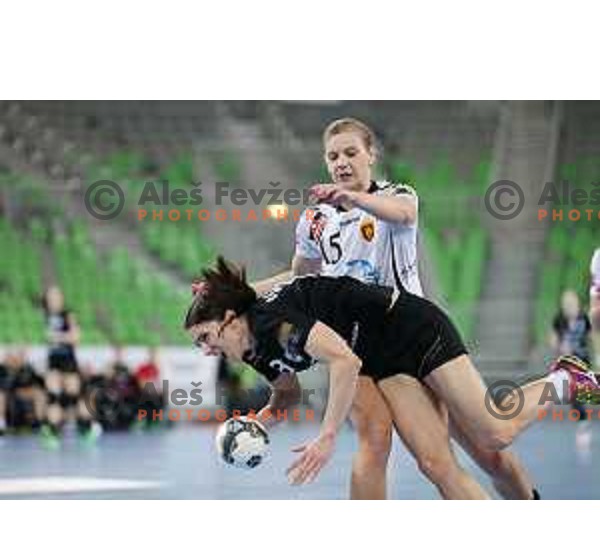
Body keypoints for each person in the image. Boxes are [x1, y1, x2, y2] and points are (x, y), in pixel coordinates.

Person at [252, 117, 536, 500]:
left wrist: (353, 198)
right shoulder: (314, 220)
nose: (342, 162)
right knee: (428, 460)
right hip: (366, 350)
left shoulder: (396, 194)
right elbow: (298, 277)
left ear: (371, 155)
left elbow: (402, 215)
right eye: (333, 156)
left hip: (414, 333)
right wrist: (240, 292)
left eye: (351, 152)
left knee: (492, 451)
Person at [184, 258, 600, 495]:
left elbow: (343, 362)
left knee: (494, 434)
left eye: (205, 337)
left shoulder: (275, 323)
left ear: (229, 319)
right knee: (435, 464)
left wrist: (327, 435)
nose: (205, 349)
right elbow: (286, 395)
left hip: (412, 329)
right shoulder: (252, 350)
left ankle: (564, 378)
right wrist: (259, 421)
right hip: (380, 356)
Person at [40, 286, 100, 448]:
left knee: (74, 398)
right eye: (51, 296)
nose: (54, 299)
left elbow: (76, 337)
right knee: (53, 397)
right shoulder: (46, 315)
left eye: (56, 296)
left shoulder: (68, 315)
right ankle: (52, 433)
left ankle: (86, 427)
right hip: (53, 361)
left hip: (68, 361)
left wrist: (58, 337)